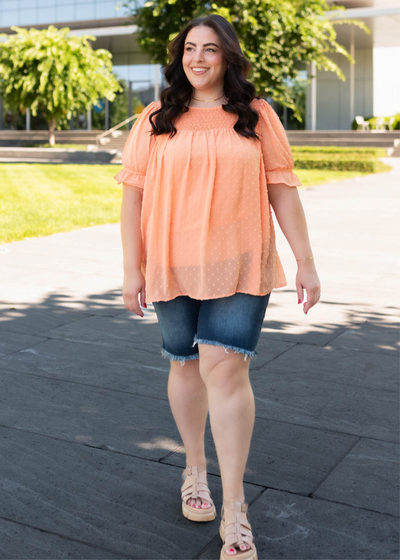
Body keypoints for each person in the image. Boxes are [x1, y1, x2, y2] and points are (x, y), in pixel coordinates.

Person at [115, 14, 321, 560]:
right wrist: (132, 268)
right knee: (184, 363)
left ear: (227, 56)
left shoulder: (256, 116)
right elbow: (132, 197)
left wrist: (305, 261)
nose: (198, 58)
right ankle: (194, 471)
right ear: (179, 57)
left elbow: (283, 188)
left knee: (225, 367)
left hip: (240, 261)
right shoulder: (157, 119)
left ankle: (235, 508)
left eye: (210, 49)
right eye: (189, 49)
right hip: (171, 262)